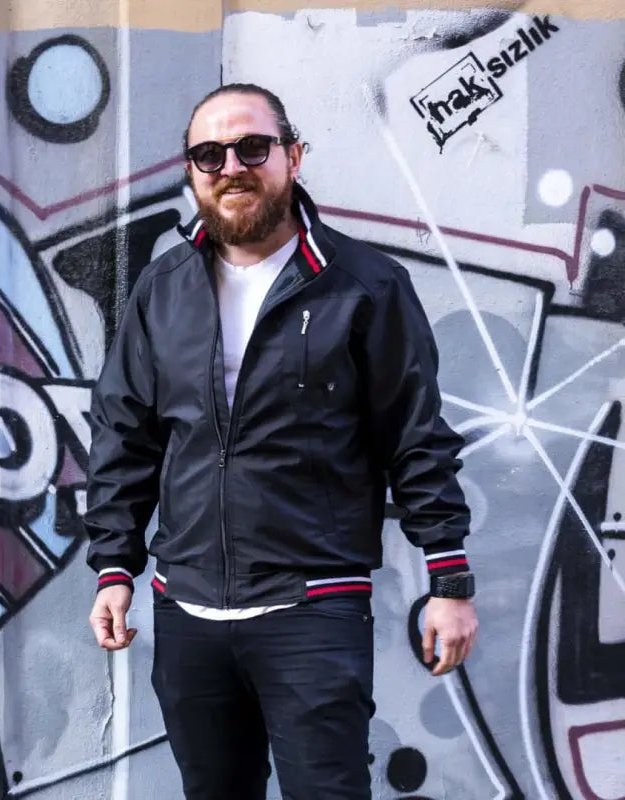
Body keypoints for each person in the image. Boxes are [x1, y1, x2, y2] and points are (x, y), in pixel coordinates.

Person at [85, 82, 479, 800]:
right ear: (191, 173)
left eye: (252, 147)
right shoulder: (163, 288)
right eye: (209, 153)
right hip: (189, 613)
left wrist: (448, 580)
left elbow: (414, 435)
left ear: (293, 156)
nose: (230, 165)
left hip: (313, 609)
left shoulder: (363, 285)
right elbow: (124, 433)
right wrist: (115, 567)